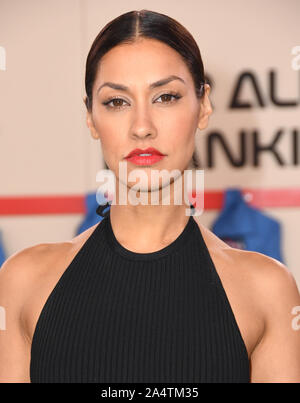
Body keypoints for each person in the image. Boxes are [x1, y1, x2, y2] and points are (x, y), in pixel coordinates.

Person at [0, 9, 299, 383]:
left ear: (203, 104)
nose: (142, 127)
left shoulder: (267, 291)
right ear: (91, 118)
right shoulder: (22, 282)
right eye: (117, 102)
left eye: (166, 96)